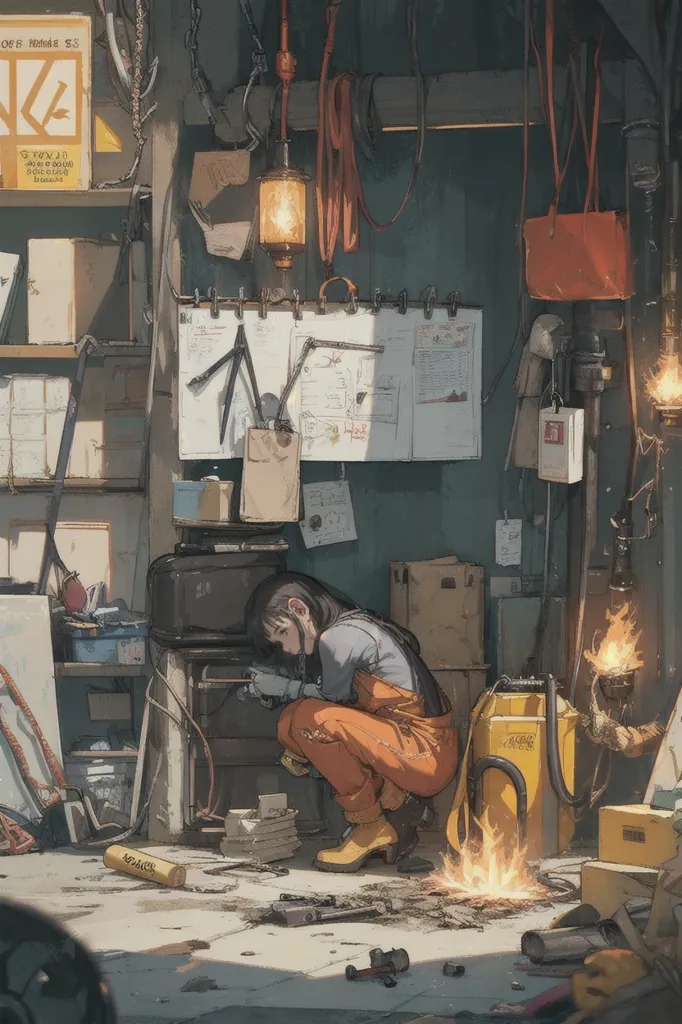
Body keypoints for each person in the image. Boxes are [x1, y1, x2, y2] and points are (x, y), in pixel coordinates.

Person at [244, 571, 459, 873]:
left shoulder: (338, 638)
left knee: (309, 719)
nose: (287, 647)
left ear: (299, 608)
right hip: (409, 745)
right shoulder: (354, 624)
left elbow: (332, 699)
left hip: (424, 753)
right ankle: (397, 805)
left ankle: (371, 824)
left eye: (282, 633)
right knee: (291, 722)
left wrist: (280, 687)